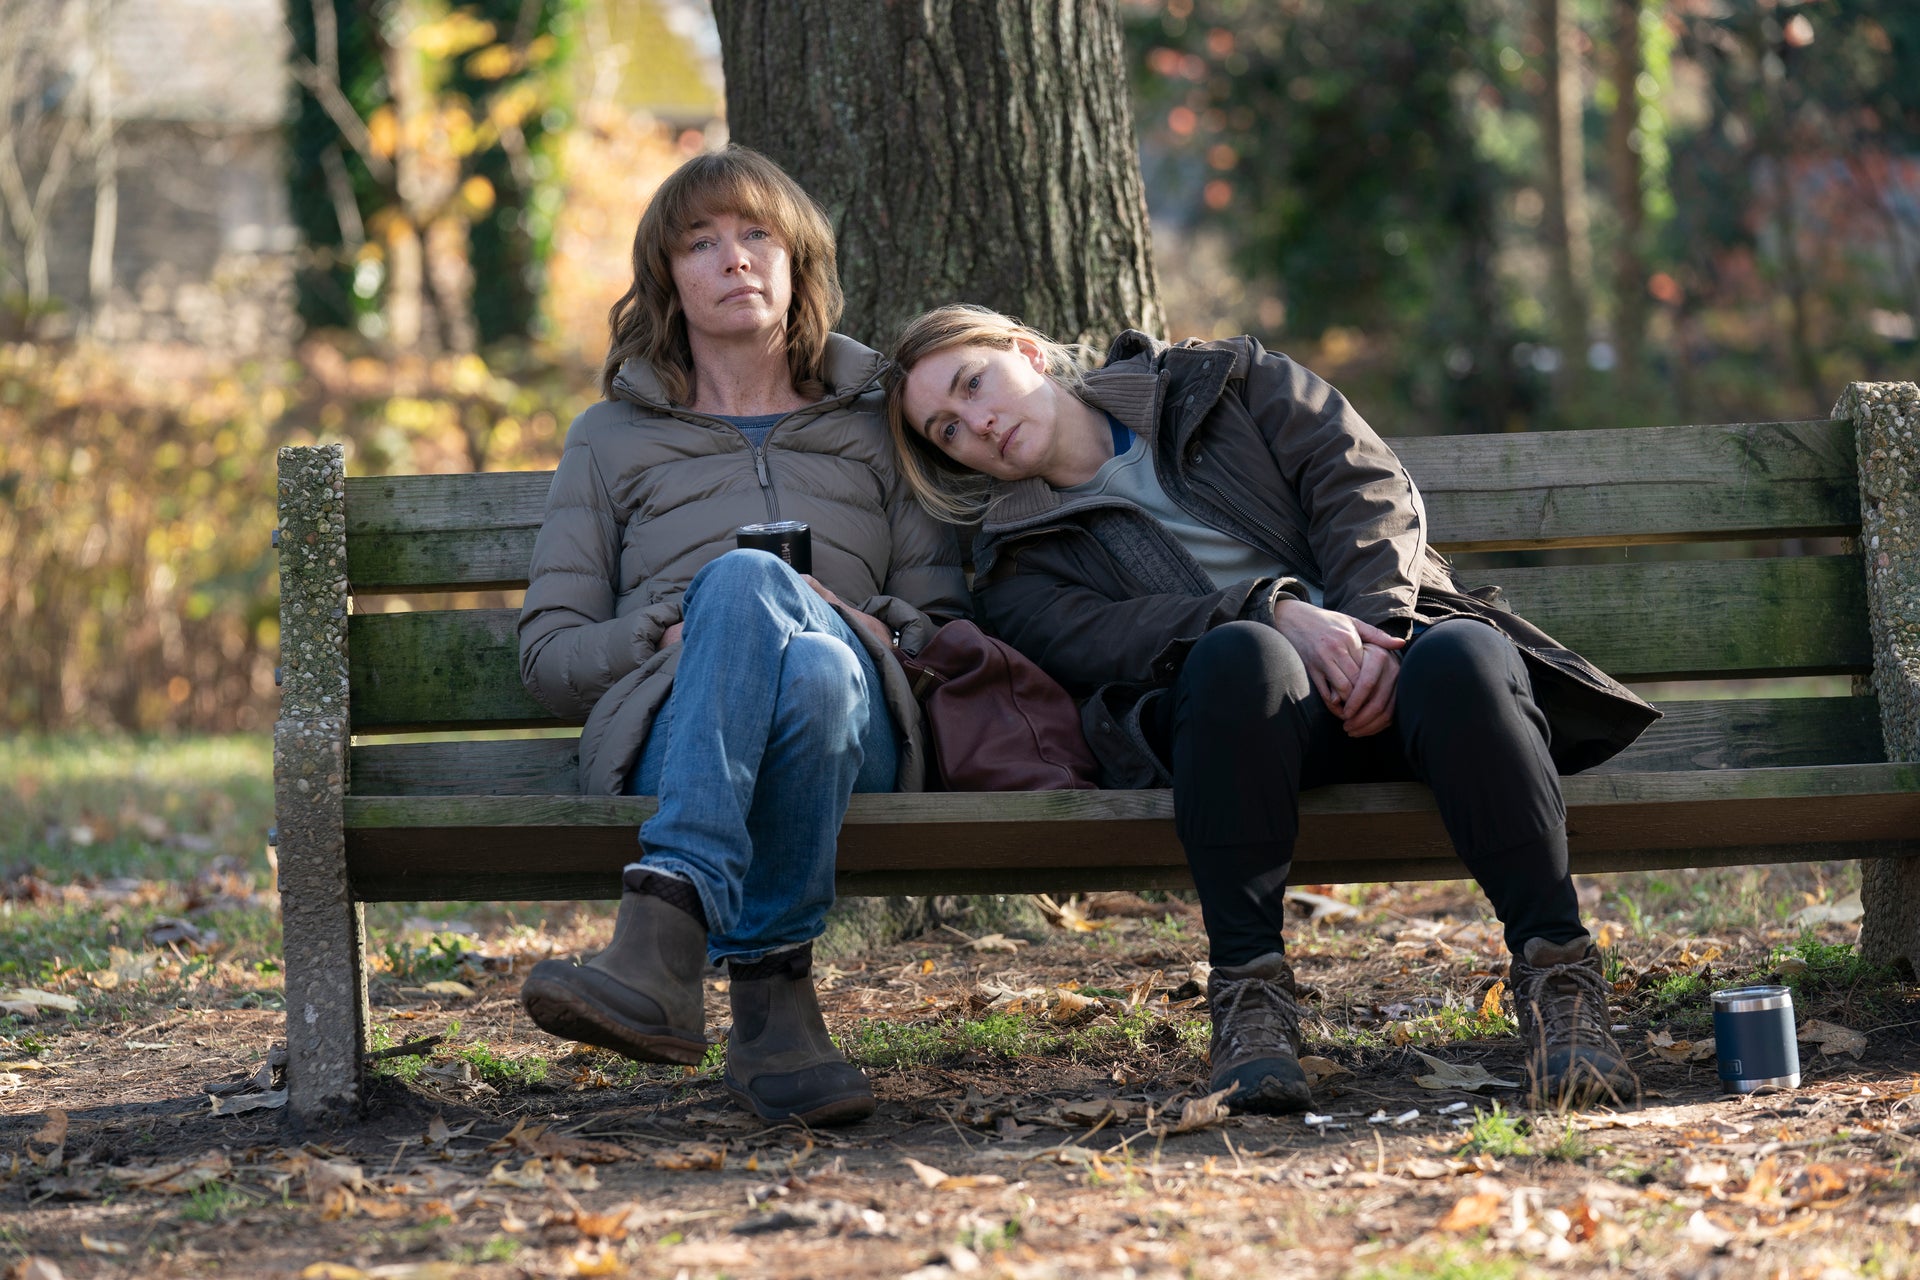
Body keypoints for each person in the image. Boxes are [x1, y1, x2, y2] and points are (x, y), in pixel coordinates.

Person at [883, 305, 1660, 1110]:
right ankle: (1250, 1003)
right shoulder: (1014, 566)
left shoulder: (1227, 384)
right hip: (1252, 736)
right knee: (1237, 656)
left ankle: (1562, 988)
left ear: (1027, 353)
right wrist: (1276, 609)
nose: (978, 423)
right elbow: (1117, 638)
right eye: (948, 431)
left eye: (975, 384)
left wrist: (1380, 632)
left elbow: (1362, 487)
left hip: (1409, 667)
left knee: (1464, 653)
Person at [515, 147, 968, 1127]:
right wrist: (663, 632)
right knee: (774, 637)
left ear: (799, 259)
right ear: (668, 279)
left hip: (867, 734)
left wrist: (858, 619)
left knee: (792, 633)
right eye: (703, 242)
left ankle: (665, 930)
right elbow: (549, 655)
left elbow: (946, 630)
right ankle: (773, 1012)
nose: (735, 260)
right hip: (675, 742)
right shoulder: (610, 438)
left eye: (758, 234)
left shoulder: (877, 422)